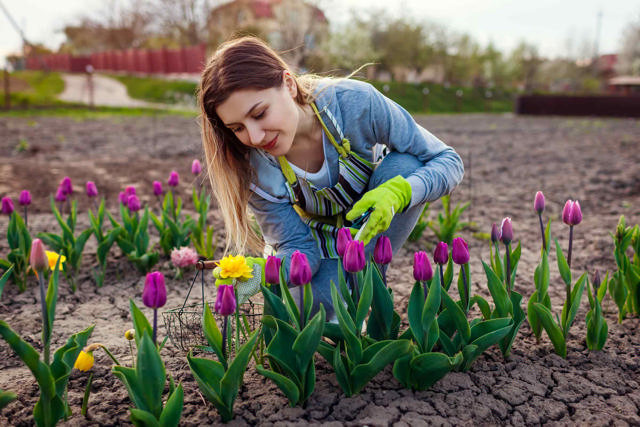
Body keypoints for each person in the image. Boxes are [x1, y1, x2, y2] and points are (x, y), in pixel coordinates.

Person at [198, 36, 464, 319]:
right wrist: (263, 271)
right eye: (238, 128)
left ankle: (369, 279)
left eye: (260, 113)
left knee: (406, 166)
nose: (255, 137)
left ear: (288, 84)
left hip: (373, 227)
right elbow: (298, 248)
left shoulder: (355, 104)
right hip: (316, 242)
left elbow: (448, 161)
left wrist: (401, 192)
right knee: (314, 313)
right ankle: (346, 297)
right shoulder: (252, 165)